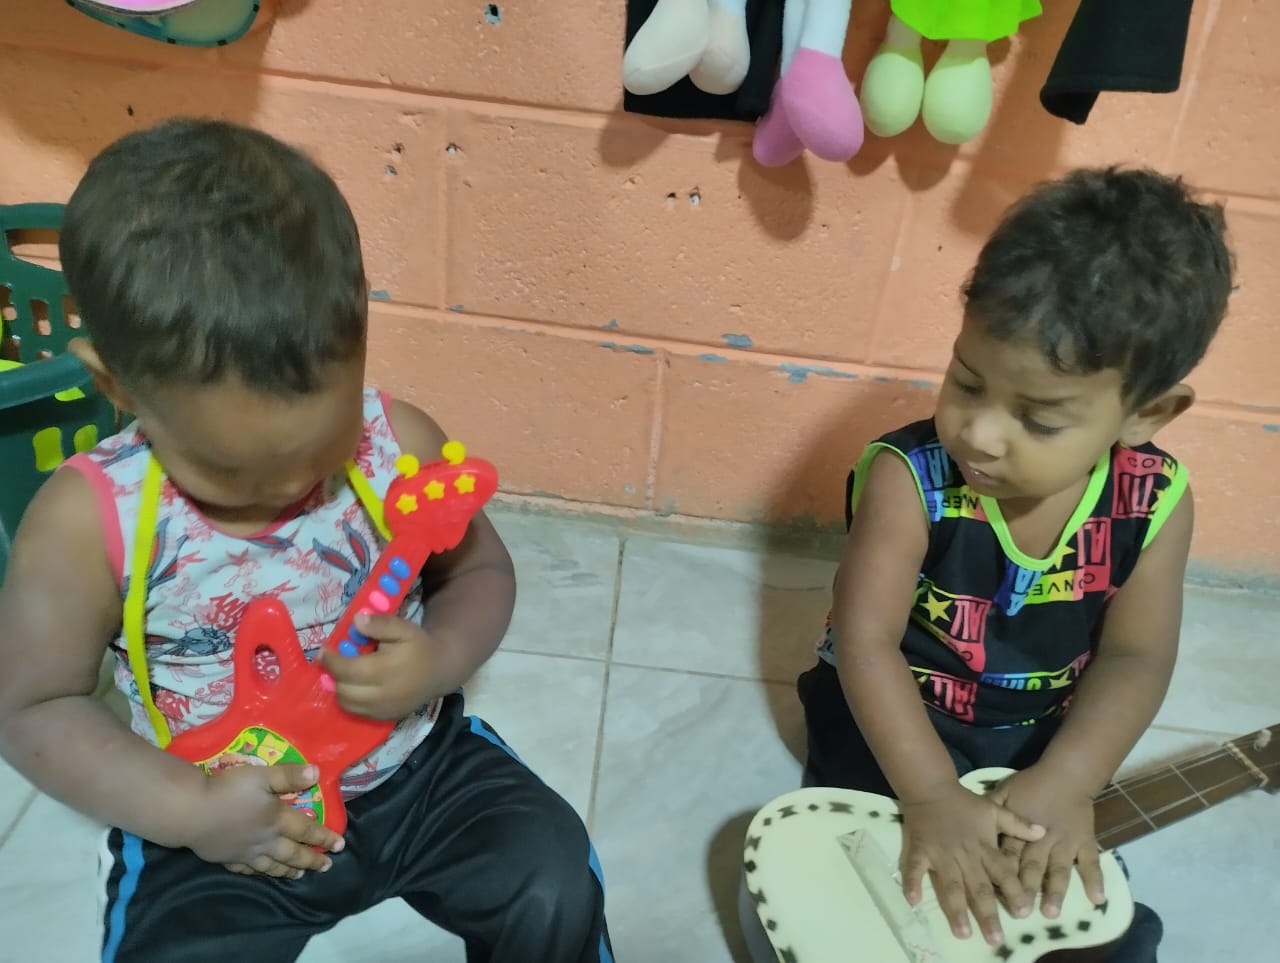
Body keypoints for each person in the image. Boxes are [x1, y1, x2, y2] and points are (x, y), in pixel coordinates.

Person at [0, 117, 613, 963]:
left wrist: (440, 656)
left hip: (414, 768)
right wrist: (190, 811)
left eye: (323, 451)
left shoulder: (399, 446)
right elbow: (31, 706)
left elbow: (480, 570)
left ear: (359, 327)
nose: (292, 489)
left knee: (553, 877)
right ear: (116, 383)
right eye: (233, 472)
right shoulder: (87, 520)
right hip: (224, 816)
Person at [798, 167, 1233, 959]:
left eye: (1039, 418)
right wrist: (930, 792)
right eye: (967, 381)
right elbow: (865, 643)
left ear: (1147, 412)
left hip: (1037, 728)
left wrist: (1070, 779)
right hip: (894, 708)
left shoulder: (1155, 500)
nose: (980, 434)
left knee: (1075, 914)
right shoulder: (910, 478)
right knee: (877, 898)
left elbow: (1136, 657)